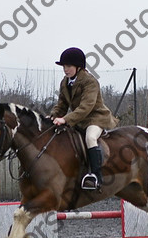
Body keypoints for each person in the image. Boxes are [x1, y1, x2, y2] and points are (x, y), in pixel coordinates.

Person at [50, 47, 119, 190]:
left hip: (95, 118)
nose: (65, 69)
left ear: (78, 66)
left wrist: (66, 120)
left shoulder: (90, 81)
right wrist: (53, 117)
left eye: (68, 66)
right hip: (79, 120)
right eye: (64, 66)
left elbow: (86, 107)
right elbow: (61, 105)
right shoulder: (65, 82)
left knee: (90, 138)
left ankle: (96, 177)